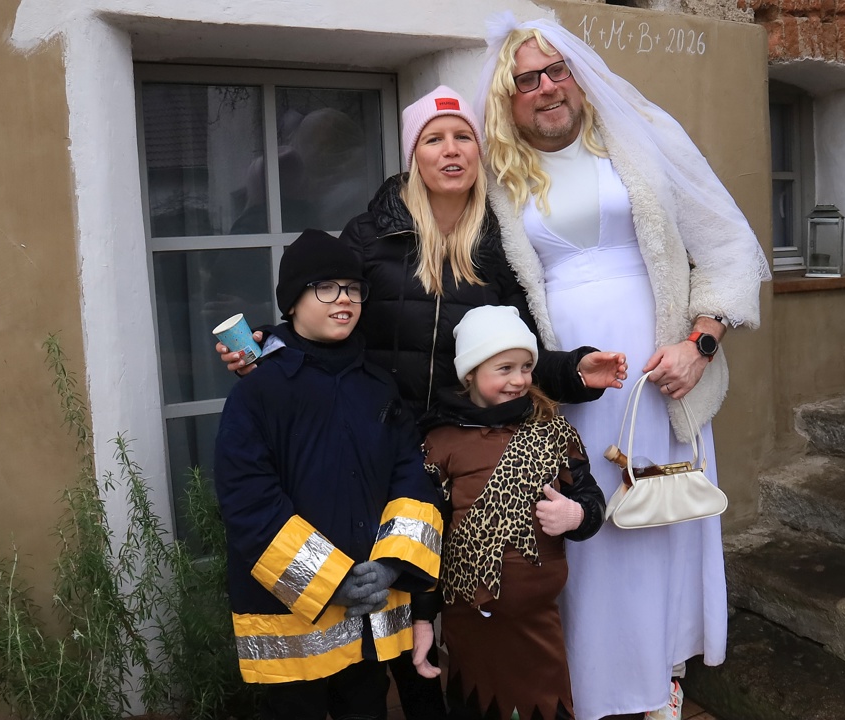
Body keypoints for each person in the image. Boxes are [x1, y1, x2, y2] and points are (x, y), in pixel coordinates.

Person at [216, 86, 628, 719]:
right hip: (382, 431)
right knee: (397, 627)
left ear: (479, 151)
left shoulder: (500, 239)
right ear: (414, 154)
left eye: (463, 137)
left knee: (442, 610)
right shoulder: (371, 232)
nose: (451, 150)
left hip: (458, 440)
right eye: (434, 139)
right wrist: (270, 347)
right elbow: (321, 302)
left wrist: (572, 369)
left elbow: (517, 347)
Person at [472, 14, 771, 720]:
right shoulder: (498, 176)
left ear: (579, 77)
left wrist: (699, 346)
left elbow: (729, 247)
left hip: (660, 379)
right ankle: (596, 687)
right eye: (527, 80)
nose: (547, 88)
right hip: (567, 390)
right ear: (508, 99)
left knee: (658, 518)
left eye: (557, 71)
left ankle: (662, 682)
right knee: (588, 531)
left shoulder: (642, 138)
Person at [213, 229, 443, 720]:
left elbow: (412, 481)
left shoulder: (378, 387)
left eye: (353, 288)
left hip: (370, 617)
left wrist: (392, 565)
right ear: (292, 302)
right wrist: (330, 580)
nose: (344, 298)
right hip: (290, 624)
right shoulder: (259, 392)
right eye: (325, 287)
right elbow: (249, 503)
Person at [416, 305, 606, 720]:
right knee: (474, 704)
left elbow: (593, 500)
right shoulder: (440, 441)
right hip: (468, 620)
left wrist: (576, 516)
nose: (519, 379)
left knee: (546, 706)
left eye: (526, 367)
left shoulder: (553, 433)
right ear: (470, 373)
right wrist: (423, 618)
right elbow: (425, 540)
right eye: (504, 368)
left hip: (537, 621)